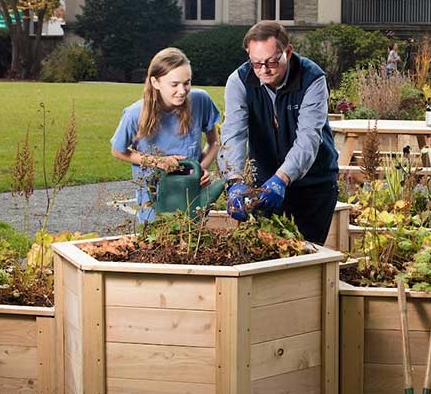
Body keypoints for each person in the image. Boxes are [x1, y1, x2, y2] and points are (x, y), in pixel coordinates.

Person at [218, 21, 339, 244]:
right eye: (256, 63)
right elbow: (233, 133)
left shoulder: (312, 79)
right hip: (263, 184)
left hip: (314, 184)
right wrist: (234, 180)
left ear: (288, 51)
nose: (264, 70)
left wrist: (282, 178)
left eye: (272, 62)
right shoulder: (239, 81)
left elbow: (308, 138)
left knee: (306, 257)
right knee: (267, 255)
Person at [111, 47, 221, 223]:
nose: (183, 90)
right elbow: (118, 151)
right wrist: (159, 162)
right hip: (154, 199)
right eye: (174, 84)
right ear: (155, 82)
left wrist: (201, 169)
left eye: (187, 82)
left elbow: (214, 142)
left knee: (192, 242)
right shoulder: (135, 114)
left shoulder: (200, 100)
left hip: (191, 194)